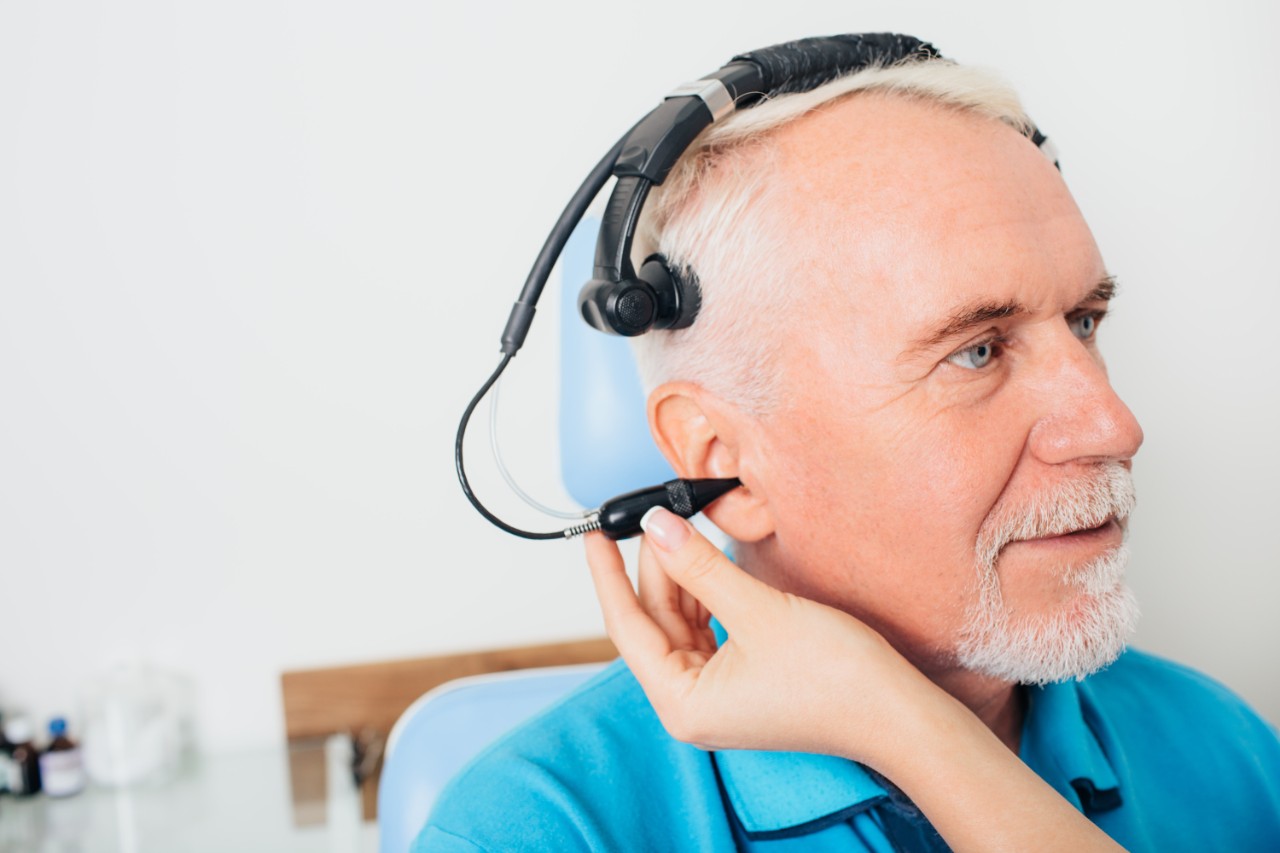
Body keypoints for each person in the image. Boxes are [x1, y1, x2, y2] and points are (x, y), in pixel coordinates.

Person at [418, 44, 1280, 851]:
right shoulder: (541, 827)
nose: (1112, 426)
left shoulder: (1226, 748)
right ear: (724, 456)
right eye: (976, 349)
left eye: (1084, 321)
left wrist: (903, 725)